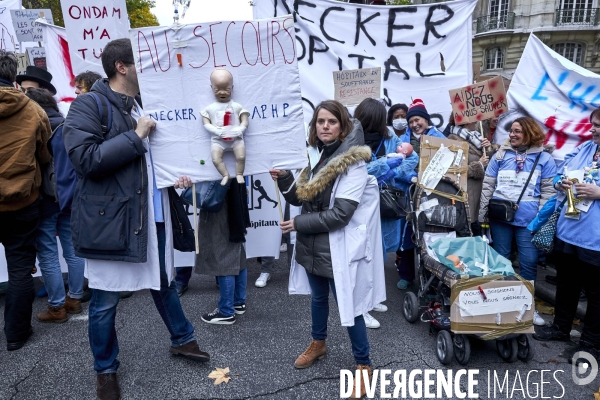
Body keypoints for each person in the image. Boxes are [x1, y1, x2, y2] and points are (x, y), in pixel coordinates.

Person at [63, 39, 209, 400]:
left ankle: (182, 338)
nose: (149, 72)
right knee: (105, 300)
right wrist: (136, 135)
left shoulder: (145, 104)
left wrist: (177, 175)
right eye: (141, 64)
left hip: (152, 215)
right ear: (122, 67)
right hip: (112, 222)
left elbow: (152, 163)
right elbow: (85, 159)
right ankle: (105, 370)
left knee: (162, 282)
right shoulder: (88, 105)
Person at [271, 100, 385, 398]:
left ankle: (363, 365)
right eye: (320, 121)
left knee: (351, 306)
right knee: (319, 299)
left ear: (343, 126)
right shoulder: (315, 155)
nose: (325, 126)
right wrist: (284, 178)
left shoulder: (353, 163)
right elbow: (299, 198)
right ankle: (318, 344)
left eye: (331, 122)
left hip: (337, 247)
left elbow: (340, 216)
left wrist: (298, 224)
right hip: (312, 245)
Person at [533, 107, 600, 364]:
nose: (592, 129)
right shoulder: (585, 149)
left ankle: (591, 344)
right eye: (592, 123)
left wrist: (598, 192)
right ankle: (561, 329)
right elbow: (563, 170)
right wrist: (562, 182)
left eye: (597, 125)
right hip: (569, 231)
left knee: (596, 294)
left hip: (595, 238)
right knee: (567, 284)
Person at [478, 117, 556, 327]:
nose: (512, 134)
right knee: (501, 259)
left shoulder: (545, 159)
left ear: (529, 133)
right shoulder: (500, 155)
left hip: (528, 222)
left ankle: (526, 306)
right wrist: (482, 214)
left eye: (517, 131)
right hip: (500, 218)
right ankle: (501, 303)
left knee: (529, 262)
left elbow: (548, 194)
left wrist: (539, 221)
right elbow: (488, 186)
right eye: (511, 131)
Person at [0, 50, 52, 351]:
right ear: (11, 76)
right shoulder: (33, 111)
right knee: (20, 268)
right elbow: (44, 154)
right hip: (21, 200)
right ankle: (16, 335)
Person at [353, 98, 419, 323]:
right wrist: (382, 167)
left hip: (382, 204)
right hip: (358, 205)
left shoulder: (390, 138)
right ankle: (360, 308)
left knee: (379, 253)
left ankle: (371, 299)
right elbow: (353, 171)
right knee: (361, 254)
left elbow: (412, 160)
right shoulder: (351, 140)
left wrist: (395, 169)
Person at [25, 88, 85, 323]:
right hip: (69, 196)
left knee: (48, 255)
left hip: (44, 198)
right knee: (72, 249)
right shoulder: (67, 124)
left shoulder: (34, 125)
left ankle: (57, 307)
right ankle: (76, 298)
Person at [194, 179, 250, 325]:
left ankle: (226, 311)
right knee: (236, 250)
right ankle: (238, 302)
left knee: (222, 253)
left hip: (221, 194)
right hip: (236, 193)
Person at [447, 119, 494, 236]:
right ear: (467, 121)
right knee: (470, 233)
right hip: (467, 197)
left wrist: (488, 149)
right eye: (475, 120)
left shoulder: (477, 138)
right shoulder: (453, 140)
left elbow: (489, 162)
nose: (477, 122)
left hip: (481, 194)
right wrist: (478, 165)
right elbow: (453, 170)